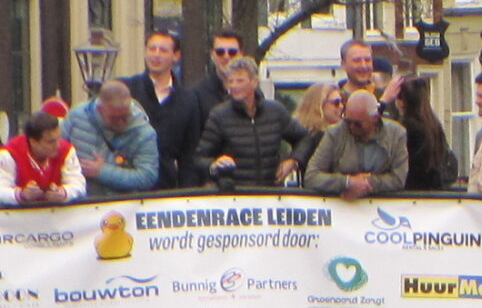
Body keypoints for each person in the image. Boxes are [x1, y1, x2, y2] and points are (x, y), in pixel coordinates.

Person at [122, 29, 203, 190]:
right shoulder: (127, 90)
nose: (156, 55)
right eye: (152, 49)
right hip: (127, 188)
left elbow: (189, 155)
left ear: (176, 55)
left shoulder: (188, 100)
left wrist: (188, 194)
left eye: (163, 50)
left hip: (166, 192)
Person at [195, 58, 295, 187]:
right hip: (235, 197)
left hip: (270, 195)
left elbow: (305, 138)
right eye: (230, 81)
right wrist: (214, 164)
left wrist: (293, 161)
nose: (234, 86)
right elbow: (200, 157)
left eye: (240, 81)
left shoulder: (276, 111)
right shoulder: (219, 115)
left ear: (254, 82)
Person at [302, 88, 407, 198]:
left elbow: (398, 179)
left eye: (358, 124)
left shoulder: (397, 134)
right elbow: (311, 176)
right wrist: (347, 182)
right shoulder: (335, 133)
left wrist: (367, 183)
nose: (351, 127)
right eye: (347, 121)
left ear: (375, 118)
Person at [64, 83, 155, 196]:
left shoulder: (143, 132)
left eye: (125, 116)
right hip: (80, 206)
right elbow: (56, 157)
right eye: (114, 118)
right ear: (100, 109)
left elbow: (147, 177)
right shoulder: (75, 118)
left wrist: (102, 171)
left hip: (122, 207)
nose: (122, 123)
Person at [383, 72, 452, 191]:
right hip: (434, 190)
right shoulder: (434, 124)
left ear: (401, 101)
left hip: (411, 192)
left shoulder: (406, 127)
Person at [0, 106, 81, 203]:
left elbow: (78, 184)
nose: (58, 145)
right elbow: (1, 190)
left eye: (58, 138)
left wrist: (63, 193)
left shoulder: (67, 150)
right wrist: (22, 194)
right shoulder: (10, 154)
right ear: (33, 141)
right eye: (50, 142)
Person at [282, 78, 345, 186]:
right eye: (336, 103)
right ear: (319, 105)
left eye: (342, 102)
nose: (341, 106)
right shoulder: (312, 137)